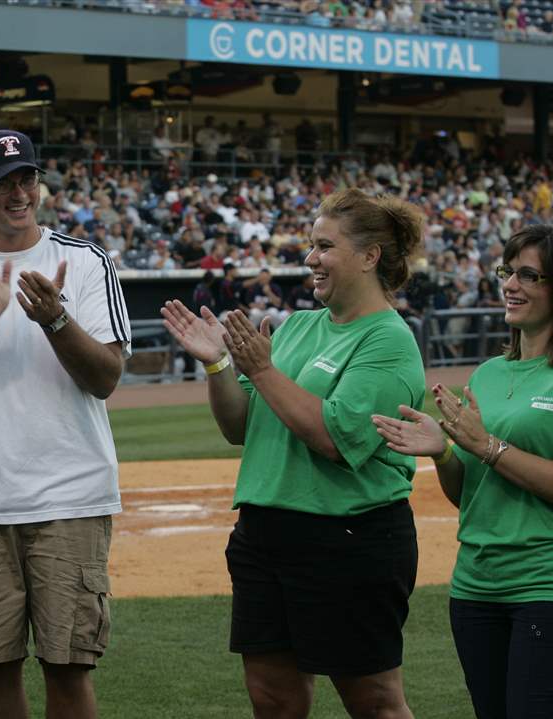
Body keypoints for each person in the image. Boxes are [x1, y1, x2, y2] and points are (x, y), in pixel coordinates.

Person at [161, 187, 426, 718]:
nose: (310, 259)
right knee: (272, 698)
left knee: (374, 701)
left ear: (369, 256)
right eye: (311, 245)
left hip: (349, 538)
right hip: (265, 535)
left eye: (324, 246)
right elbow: (241, 426)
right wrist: (218, 365)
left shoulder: (388, 340)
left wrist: (260, 368)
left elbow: (334, 438)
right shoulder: (301, 327)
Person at [0, 129, 131, 719]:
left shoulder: (87, 263)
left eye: (26, 178)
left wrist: (56, 321)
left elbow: (106, 378)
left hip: (71, 493)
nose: (18, 192)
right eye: (2, 183)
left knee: (69, 671)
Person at [372, 223, 553, 719]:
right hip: (477, 587)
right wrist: (446, 452)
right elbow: (470, 496)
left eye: (529, 275)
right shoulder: (489, 372)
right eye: (507, 270)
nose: (510, 284)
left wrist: (486, 444)